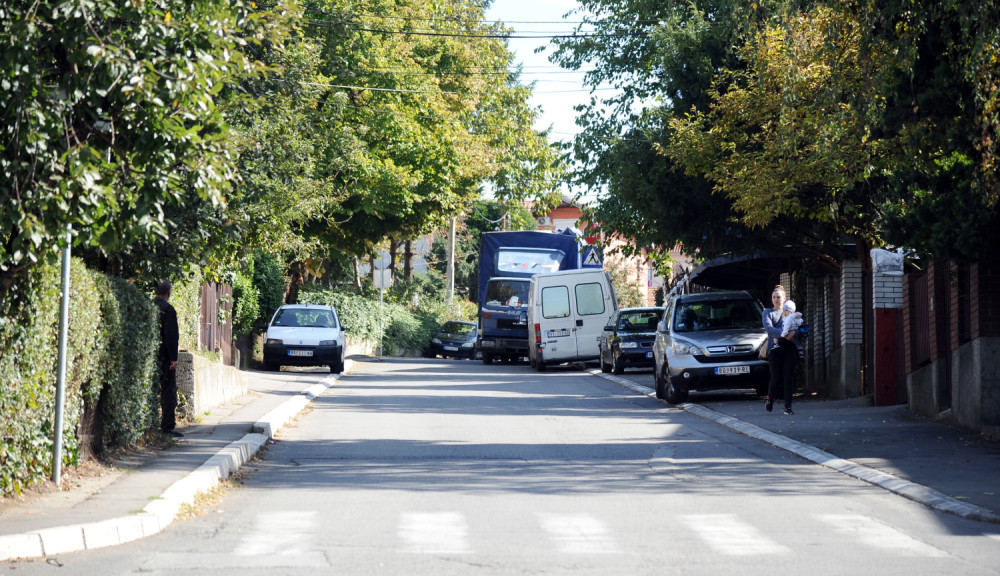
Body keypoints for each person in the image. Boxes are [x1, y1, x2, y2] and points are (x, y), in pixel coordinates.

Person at [762, 284, 800, 415]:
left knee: (788, 377)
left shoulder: (792, 313)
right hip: (775, 349)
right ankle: (770, 400)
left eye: (778, 297)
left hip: (790, 348)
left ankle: (788, 407)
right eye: (774, 297)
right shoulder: (767, 312)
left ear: (784, 299)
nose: (776, 299)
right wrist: (784, 334)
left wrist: (794, 333)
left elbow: (799, 328)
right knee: (776, 377)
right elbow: (769, 329)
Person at [153, 280, 182, 438]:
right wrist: (174, 358)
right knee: (168, 390)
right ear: (169, 293)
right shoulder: (168, 309)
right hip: (164, 356)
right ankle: (167, 426)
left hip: (151, 354)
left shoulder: (149, 307)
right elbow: (171, 336)